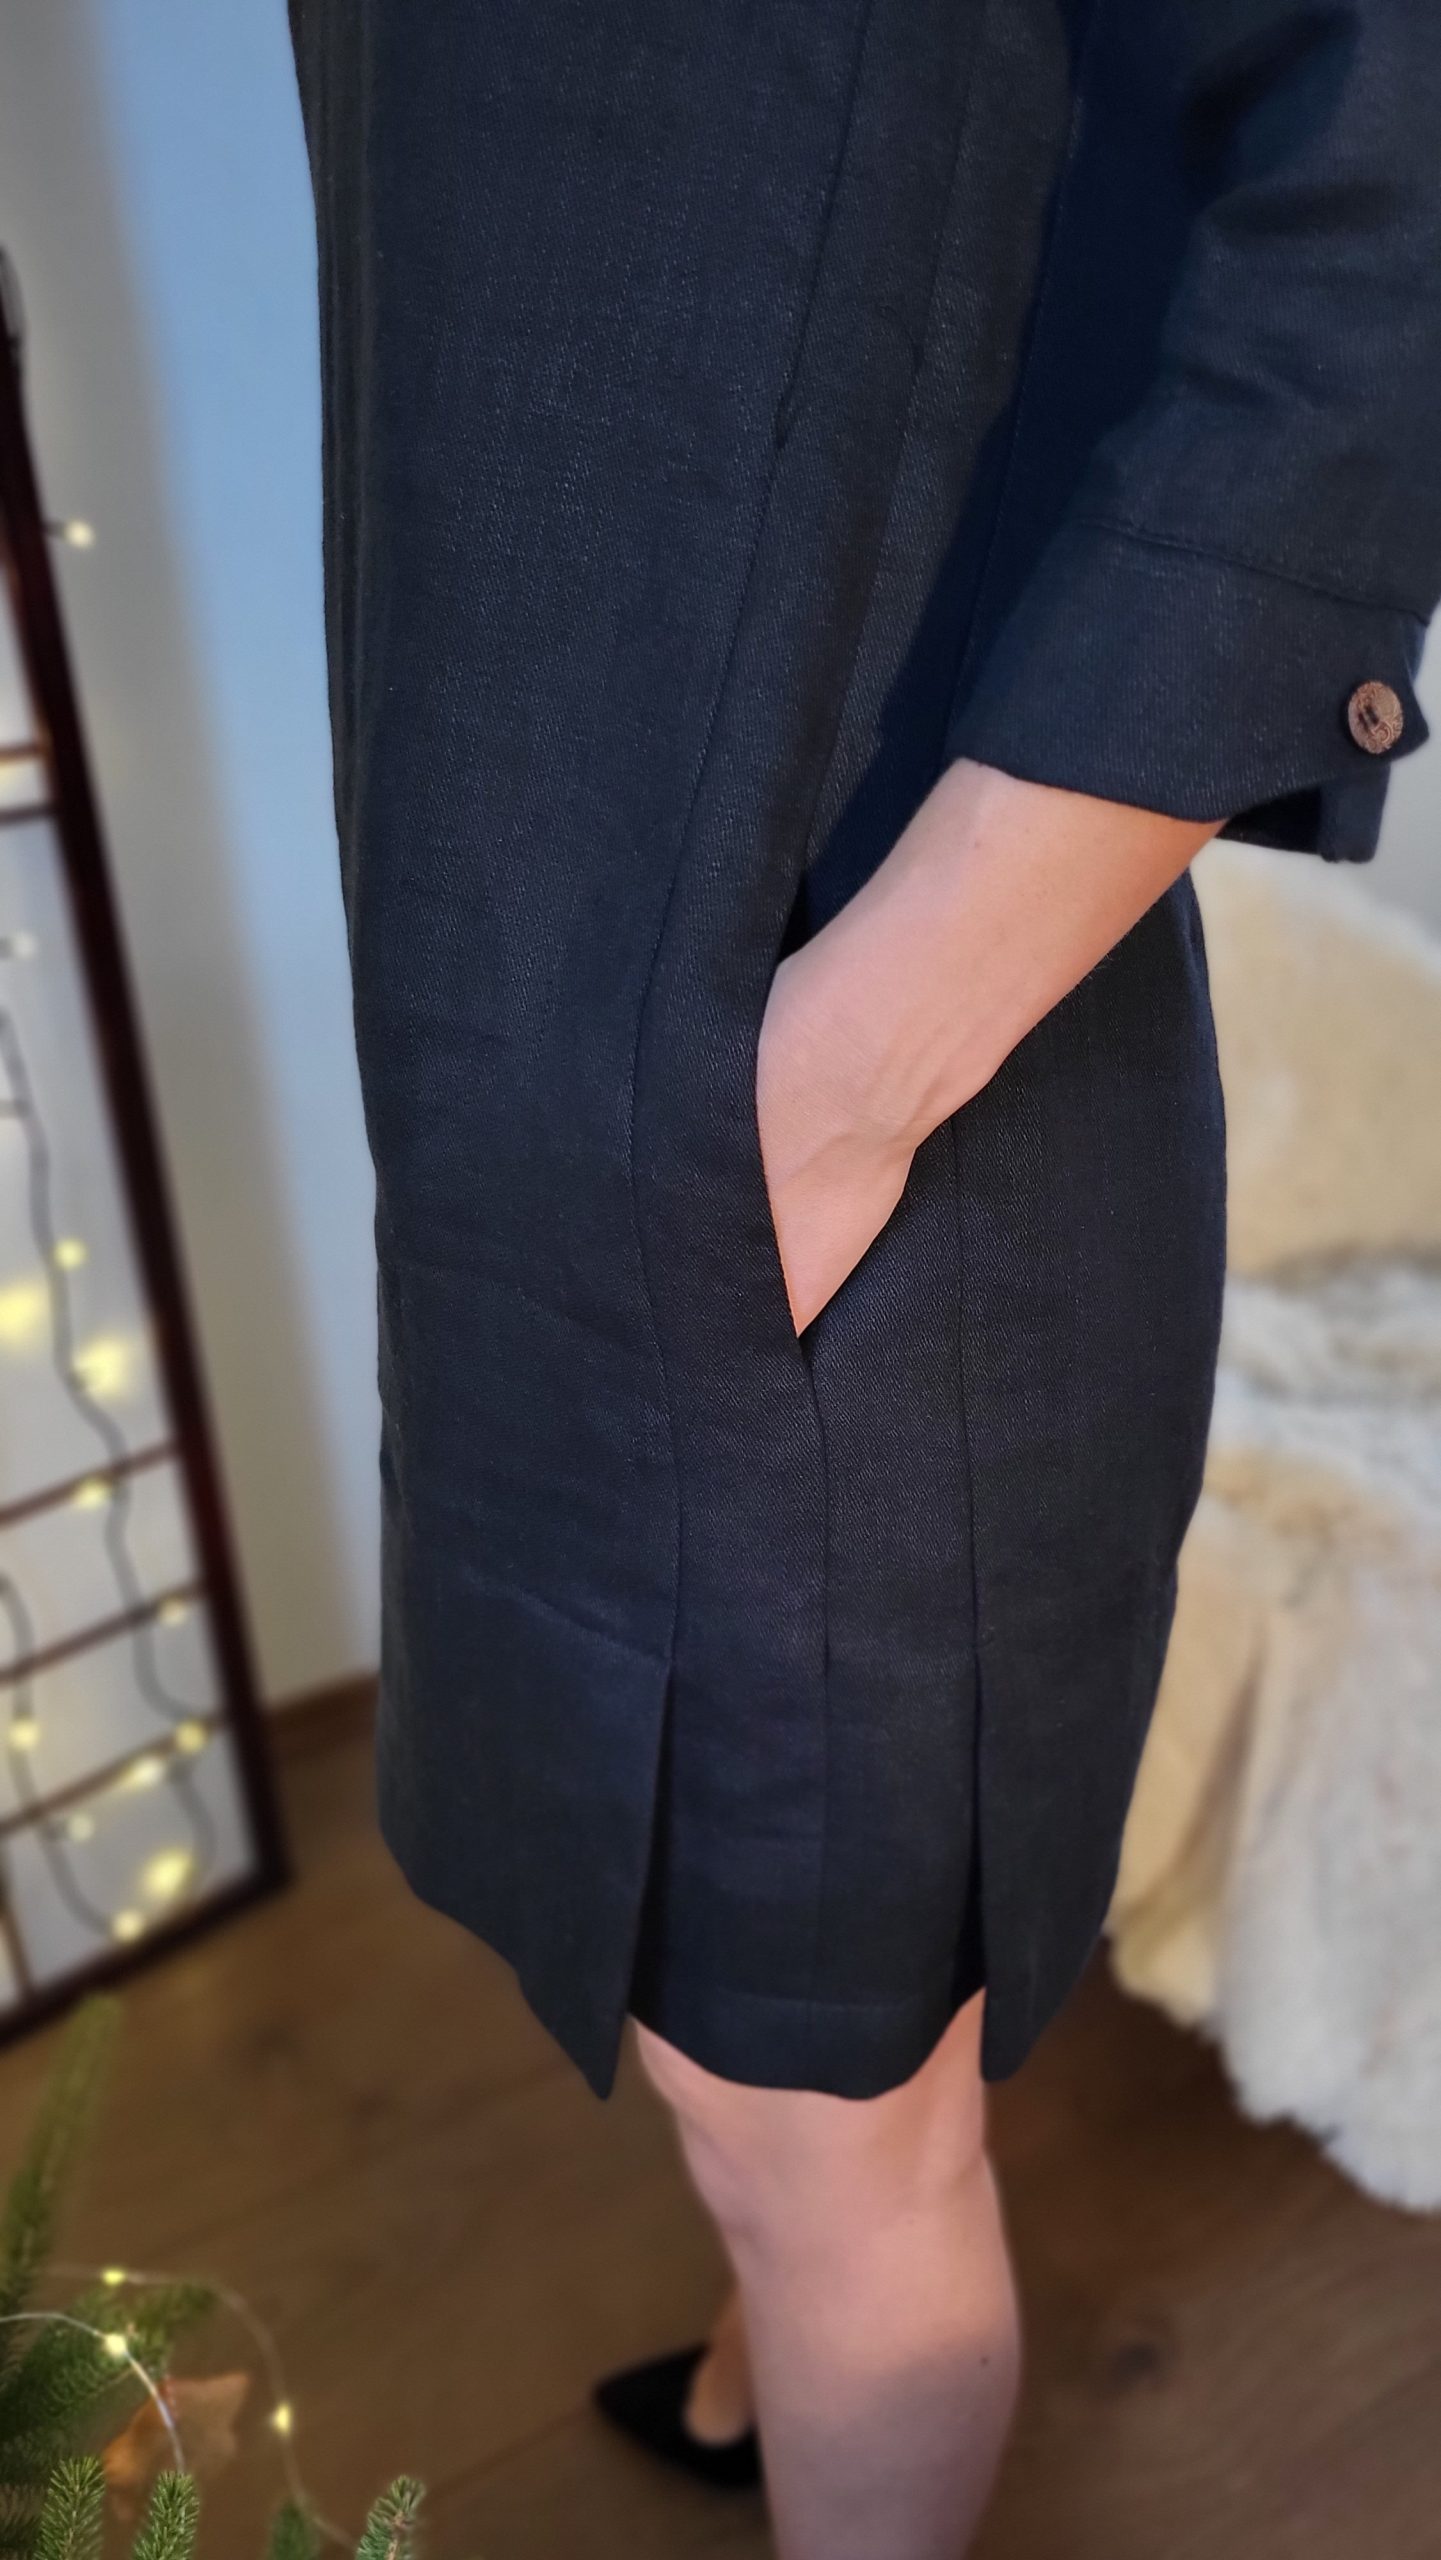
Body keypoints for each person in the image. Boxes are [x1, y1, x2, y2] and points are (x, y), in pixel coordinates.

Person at [286, 5, 1441, 2553]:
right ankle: (765, 2348)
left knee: (831, 2122)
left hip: (857, 1127)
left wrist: (843, 1076)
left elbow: (1386, 206)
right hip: (538, 1088)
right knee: (742, 2042)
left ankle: (816, 2352)